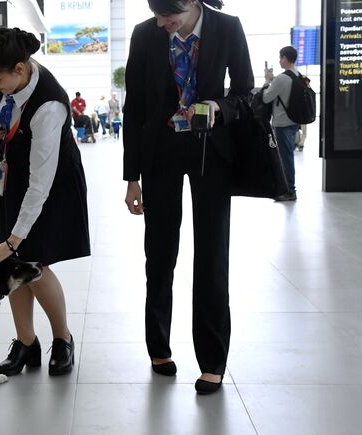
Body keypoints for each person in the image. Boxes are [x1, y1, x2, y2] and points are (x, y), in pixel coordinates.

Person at [123, 0, 253, 395]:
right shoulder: (145, 34)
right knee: (159, 253)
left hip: (211, 155)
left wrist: (220, 106)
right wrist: (132, 178)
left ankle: (212, 360)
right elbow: (135, 108)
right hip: (159, 156)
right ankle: (159, 346)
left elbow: (246, 93)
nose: (163, 23)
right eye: (158, 14)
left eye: (170, 14)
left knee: (212, 255)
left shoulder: (228, 28)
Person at [0, 27, 90, 377]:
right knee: (8, 267)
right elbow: (8, 104)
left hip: (51, 186)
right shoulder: (15, 79)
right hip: (14, 178)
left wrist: (13, 239)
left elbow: (41, 183)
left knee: (33, 265)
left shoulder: (49, 105)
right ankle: (26, 342)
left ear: (19, 69)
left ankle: (62, 339)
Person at [262, 46, 300, 202]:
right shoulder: (297, 75)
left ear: (285, 58)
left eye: (280, 58)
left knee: (286, 158)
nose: (279, 61)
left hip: (282, 123)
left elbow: (266, 97)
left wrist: (267, 81)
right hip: (294, 121)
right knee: (289, 155)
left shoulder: (282, 78)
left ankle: (289, 190)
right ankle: (289, 188)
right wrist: (273, 80)